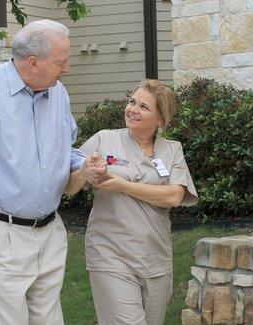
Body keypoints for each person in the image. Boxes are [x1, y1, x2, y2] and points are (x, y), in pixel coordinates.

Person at [0, 19, 88, 324]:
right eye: (61, 62)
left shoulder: (58, 93)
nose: (67, 69)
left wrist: (85, 165)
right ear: (33, 63)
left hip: (49, 234)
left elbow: (66, 150)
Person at [65, 79, 199, 325]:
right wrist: (86, 169)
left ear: (160, 119)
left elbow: (174, 196)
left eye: (144, 107)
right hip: (111, 256)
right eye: (132, 102)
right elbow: (70, 187)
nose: (133, 109)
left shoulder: (172, 150)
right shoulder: (104, 140)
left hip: (155, 259)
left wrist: (122, 185)